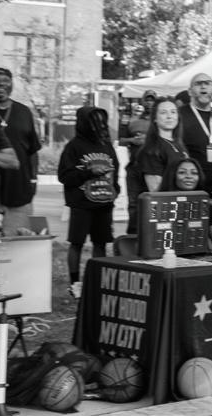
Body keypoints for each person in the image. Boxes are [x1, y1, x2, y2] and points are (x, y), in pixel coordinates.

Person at [58, 106, 118, 300]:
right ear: (84, 123)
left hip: (104, 203)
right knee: (77, 243)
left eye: (101, 121)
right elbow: (64, 176)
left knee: (101, 243)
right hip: (81, 204)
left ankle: (98, 282)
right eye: (94, 121)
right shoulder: (74, 146)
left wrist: (115, 189)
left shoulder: (106, 144)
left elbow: (115, 169)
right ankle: (75, 284)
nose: (99, 125)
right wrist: (88, 173)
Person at [0, 68, 42, 232]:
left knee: (18, 238)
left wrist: (33, 180)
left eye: (5, 80)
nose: (0, 84)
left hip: (19, 187)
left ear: (12, 85)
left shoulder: (24, 112)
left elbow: (32, 150)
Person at [118, 95, 153, 235]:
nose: (149, 103)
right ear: (142, 101)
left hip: (153, 167)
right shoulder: (131, 119)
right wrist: (133, 140)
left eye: (152, 100)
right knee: (133, 203)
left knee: (152, 201)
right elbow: (121, 140)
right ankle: (132, 235)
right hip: (134, 166)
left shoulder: (159, 120)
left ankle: (150, 234)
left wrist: (147, 139)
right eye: (147, 100)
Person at [140, 99, 187, 193]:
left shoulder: (179, 145)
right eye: (163, 112)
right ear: (155, 118)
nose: (169, 116)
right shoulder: (151, 149)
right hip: (166, 200)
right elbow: (155, 190)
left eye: (173, 112)